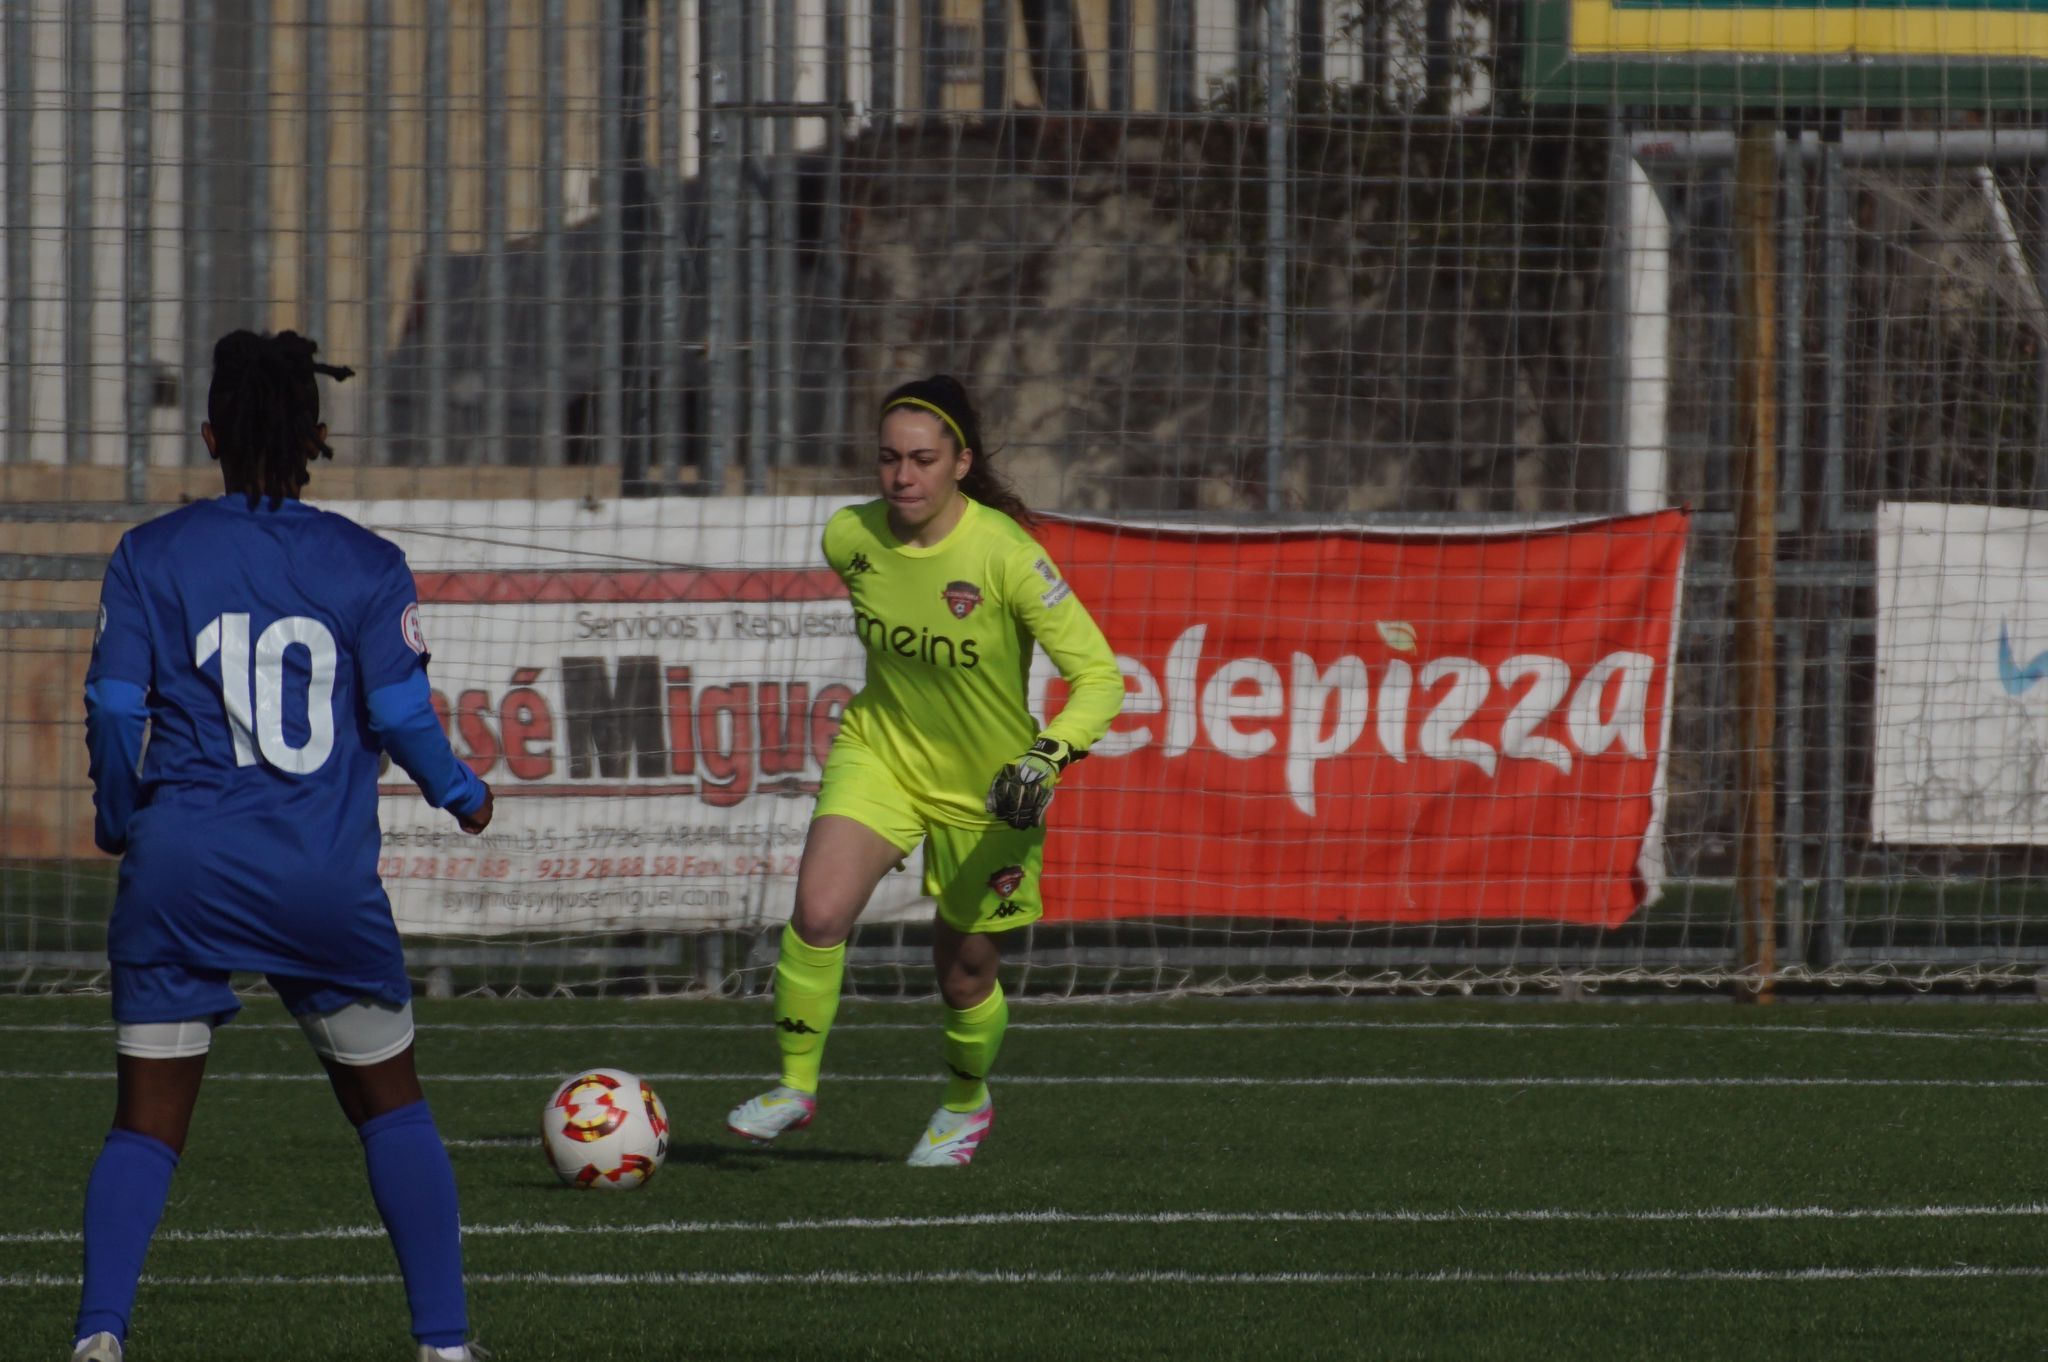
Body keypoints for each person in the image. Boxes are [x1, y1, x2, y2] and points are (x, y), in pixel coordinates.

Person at [72, 331, 491, 1362]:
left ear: (210, 436)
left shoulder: (150, 553)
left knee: (145, 1121)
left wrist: (120, 815)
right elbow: (398, 714)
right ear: (317, 438)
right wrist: (461, 792)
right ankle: (442, 1346)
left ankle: (97, 1337)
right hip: (315, 875)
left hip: (181, 867)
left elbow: (115, 707)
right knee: (388, 1107)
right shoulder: (365, 562)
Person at [725, 374, 1124, 1166]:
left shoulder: (1007, 556)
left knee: (965, 976)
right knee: (818, 912)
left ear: (961, 464)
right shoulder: (850, 536)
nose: (902, 476)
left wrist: (1046, 758)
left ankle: (965, 1104)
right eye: (888, 459)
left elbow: (1101, 677)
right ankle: (796, 1087)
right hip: (881, 753)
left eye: (922, 459)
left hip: (991, 791)